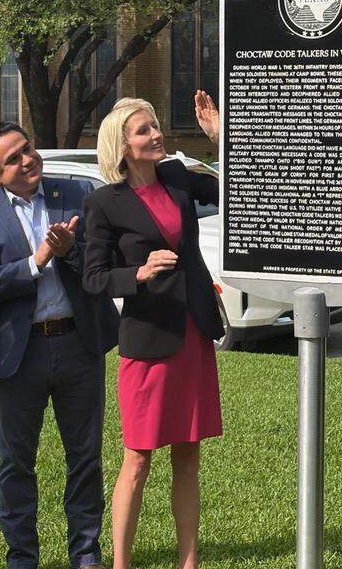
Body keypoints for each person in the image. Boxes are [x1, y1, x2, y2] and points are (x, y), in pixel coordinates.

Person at [0, 122, 119, 569]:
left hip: (78, 346)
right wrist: (36, 261)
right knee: (16, 462)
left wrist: (70, 252)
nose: (28, 160)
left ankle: (85, 554)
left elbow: (105, 265)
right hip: (19, 353)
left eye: (27, 148)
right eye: (13, 159)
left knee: (85, 457)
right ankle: (23, 557)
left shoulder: (76, 195)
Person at [82, 97, 224, 569]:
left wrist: (220, 137)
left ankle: (189, 562)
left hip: (193, 333)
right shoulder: (104, 203)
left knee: (189, 454)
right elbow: (94, 277)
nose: (157, 134)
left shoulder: (177, 176)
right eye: (144, 130)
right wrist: (138, 274)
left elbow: (238, 189)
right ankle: (120, 563)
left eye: (156, 126)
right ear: (122, 145)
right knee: (138, 459)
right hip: (149, 339)